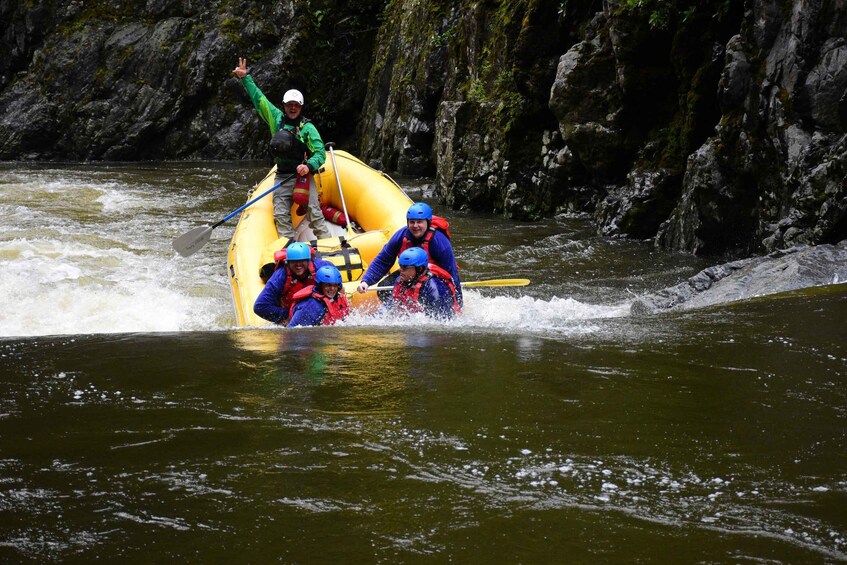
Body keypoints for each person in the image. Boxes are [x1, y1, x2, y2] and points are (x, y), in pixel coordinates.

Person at [232, 57, 331, 240]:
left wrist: (308, 166)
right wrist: (245, 78)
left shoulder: (307, 128)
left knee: (315, 215)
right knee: (280, 215)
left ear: (300, 107)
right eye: (289, 105)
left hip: (303, 176)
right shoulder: (276, 119)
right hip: (282, 175)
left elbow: (319, 153)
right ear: (284, 106)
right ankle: (290, 251)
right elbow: (259, 99)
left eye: (296, 105)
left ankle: (330, 248)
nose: (292, 108)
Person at [356, 202, 462, 305]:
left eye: (419, 222)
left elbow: (452, 273)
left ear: (428, 222)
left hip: (433, 278)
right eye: (412, 222)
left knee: (428, 294)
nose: (415, 226)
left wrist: (458, 303)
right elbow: (383, 261)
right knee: (384, 288)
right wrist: (366, 281)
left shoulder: (439, 241)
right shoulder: (400, 236)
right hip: (410, 272)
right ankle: (401, 309)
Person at [253, 242, 331, 324]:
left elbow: (339, 290)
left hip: (319, 308)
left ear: (309, 261)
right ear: (288, 262)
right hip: (292, 311)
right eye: (294, 262)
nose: (298, 265)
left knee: (314, 304)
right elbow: (260, 306)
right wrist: (287, 316)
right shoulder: (281, 276)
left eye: (302, 261)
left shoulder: (322, 267)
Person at [386, 247, 460, 319]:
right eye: (400, 266)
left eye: (405, 267)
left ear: (419, 269)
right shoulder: (400, 280)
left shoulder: (435, 288)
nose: (400, 270)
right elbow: (389, 307)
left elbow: (442, 321)